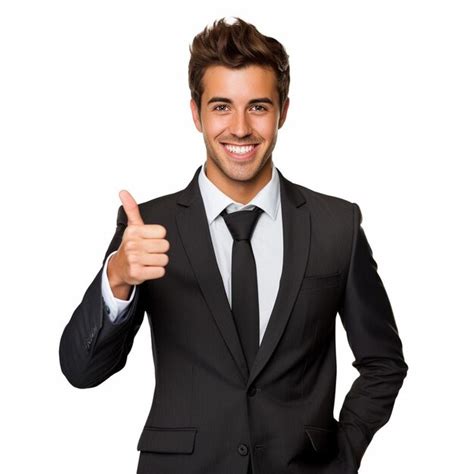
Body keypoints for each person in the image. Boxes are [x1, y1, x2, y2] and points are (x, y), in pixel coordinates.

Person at [59, 17, 408, 474]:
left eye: (258, 107)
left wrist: (342, 456)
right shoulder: (148, 225)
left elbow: (383, 363)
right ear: (196, 113)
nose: (240, 128)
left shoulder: (336, 225)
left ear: (283, 111)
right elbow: (82, 372)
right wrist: (117, 278)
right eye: (221, 107)